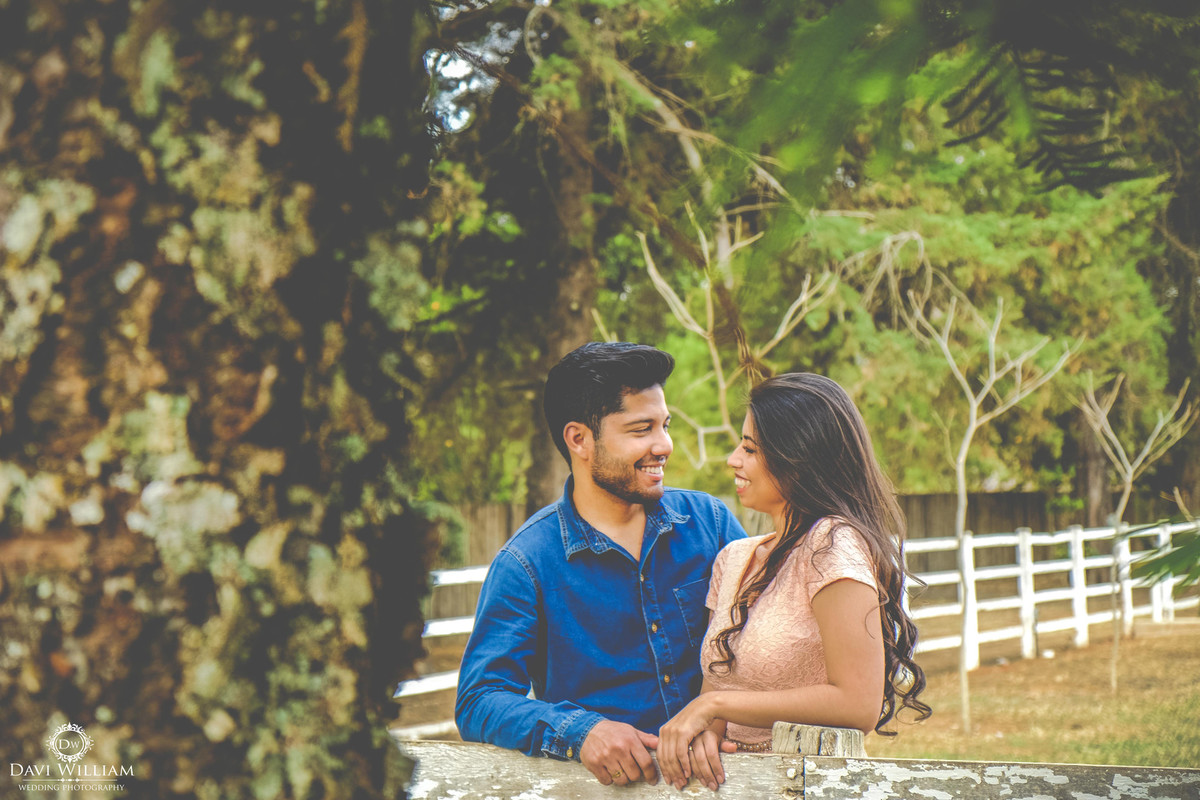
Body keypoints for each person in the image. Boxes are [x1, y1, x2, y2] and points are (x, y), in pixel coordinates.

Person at [455, 342, 747, 787]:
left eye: (664, 425)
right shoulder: (526, 563)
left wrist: (723, 711)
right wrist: (581, 732)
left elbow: (766, 636)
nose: (664, 444)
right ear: (579, 439)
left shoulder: (711, 524)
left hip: (734, 784)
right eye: (640, 429)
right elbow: (480, 699)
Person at [657, 372, 931, 791]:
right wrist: (709, 734)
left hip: (806, 785)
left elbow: (858, 703)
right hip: (732, 788)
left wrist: (713, 704)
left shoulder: (832, 545)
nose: (733, 459)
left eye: (749, 448)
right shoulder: (733, 559)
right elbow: (718, 683)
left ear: (797, 457)